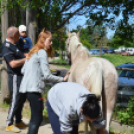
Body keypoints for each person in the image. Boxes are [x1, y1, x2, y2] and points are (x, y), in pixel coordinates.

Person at [19, 28, 70, 134]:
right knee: (36, 119)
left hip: (26, 90)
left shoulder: (33, 51)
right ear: (43, 40)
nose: (51, 43)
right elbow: (47, 75)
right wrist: (63, 79)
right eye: (49, 41)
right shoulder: (42, 52)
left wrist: (39, 75)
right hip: (34, 90)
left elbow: (23, 70)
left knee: (34, 118)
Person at [1, 26, 27, 133]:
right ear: (13, 35)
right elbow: (12, 63)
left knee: (21, 99)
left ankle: (18, 120)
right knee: (15, 100)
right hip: (15, 77)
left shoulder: (14, 45)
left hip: (21, 76)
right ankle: (9, 124)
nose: (20, 36)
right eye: (18, 34)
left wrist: (25, 55)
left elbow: (19, 57)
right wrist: (26, 59)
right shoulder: (6, 47)